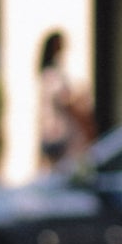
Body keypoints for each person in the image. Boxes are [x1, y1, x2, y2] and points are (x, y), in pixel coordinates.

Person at [37, 29, 91, 165]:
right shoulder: (51, 75)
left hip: (56, 132)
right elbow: (65, 100)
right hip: (58, 133)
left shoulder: (54, 72)